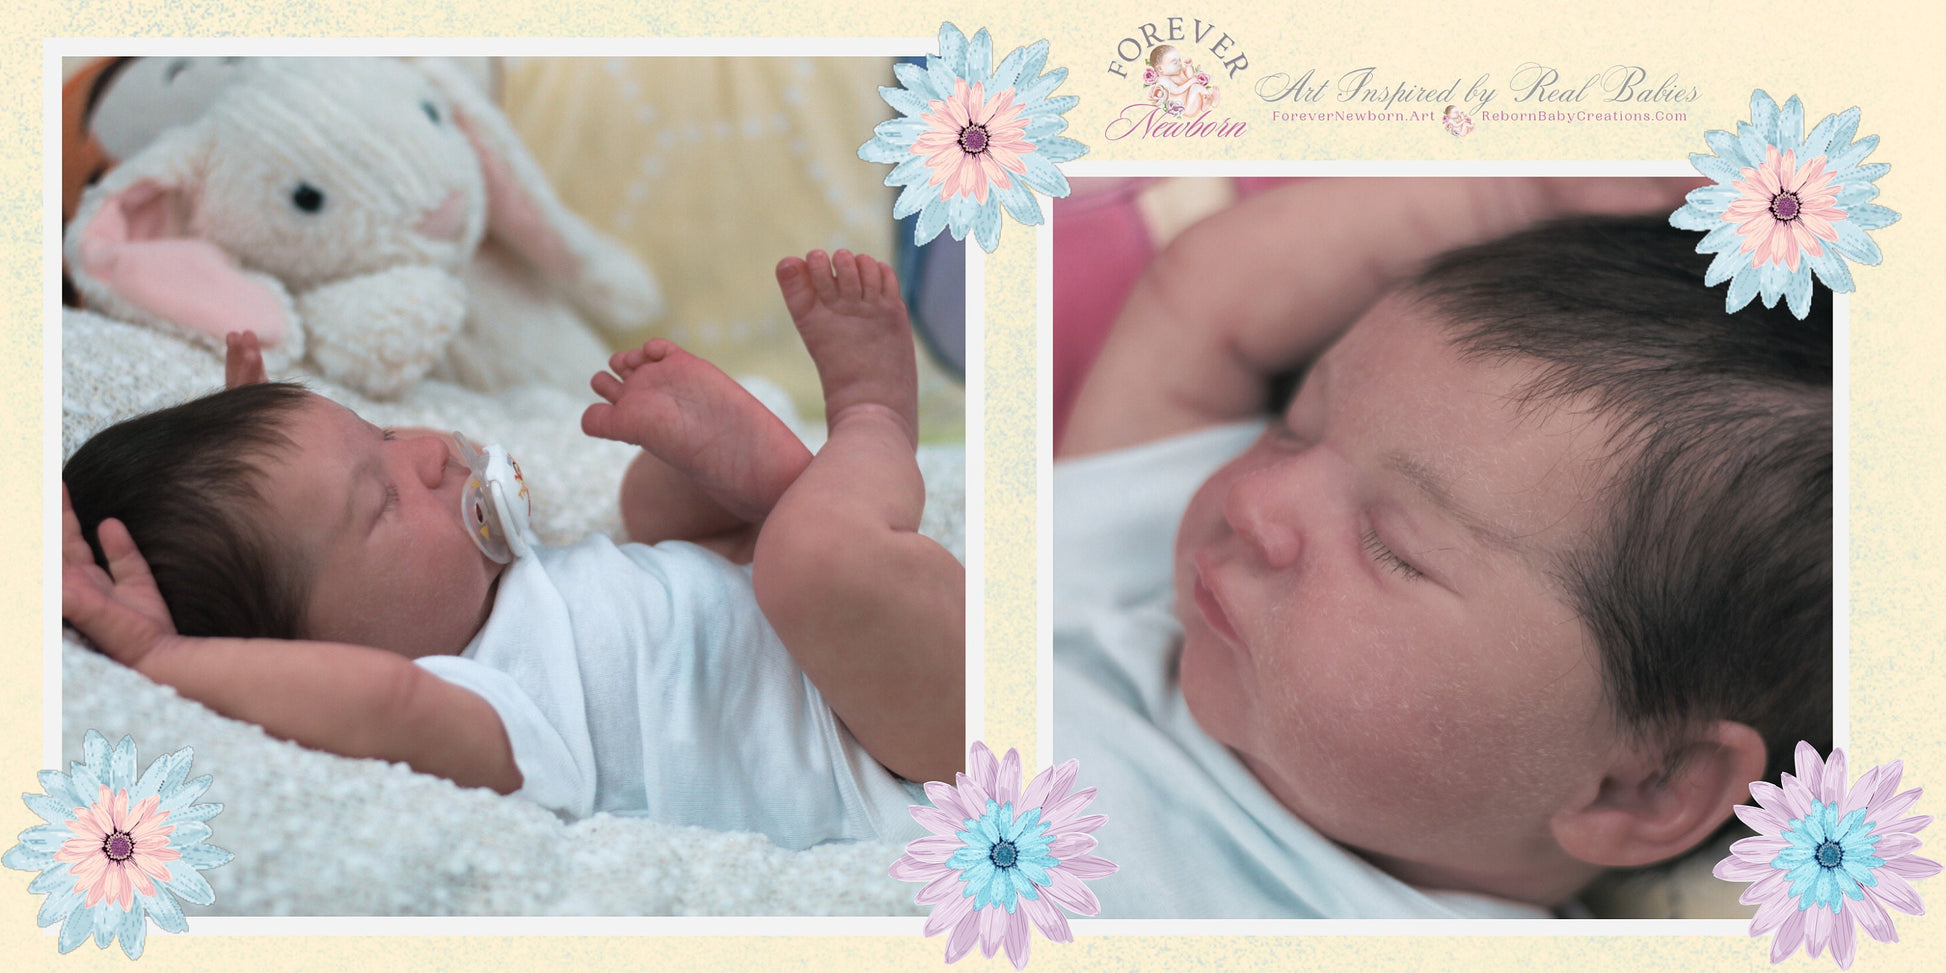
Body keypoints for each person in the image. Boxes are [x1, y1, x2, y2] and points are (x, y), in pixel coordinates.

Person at [1054, 178, 1831, 916]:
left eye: (1391, 547)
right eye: (1294, 429)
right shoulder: (1126, 573)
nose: (1254, 500)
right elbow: (1201, 298)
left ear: (1644, 784)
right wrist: (1510, 197)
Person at [62, 250, 964, 850]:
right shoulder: (476, 706)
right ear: (314, 655)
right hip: (897, 757)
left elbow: (303, 513)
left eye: (376, 431)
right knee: (809, 564)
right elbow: (384, 702)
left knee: (649, 509)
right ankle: (871, 423)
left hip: (827, 657)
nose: (422, 452)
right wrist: (171, 658)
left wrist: (274, 444)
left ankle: (774, 497)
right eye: (379, 502)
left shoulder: (509, 583)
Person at [1146, 45, 1218, 117]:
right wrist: (1191, 82)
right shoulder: (1163, 80)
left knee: (1195, 87)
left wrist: (1188, 66)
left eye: (1179, 60)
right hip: (1186, 109)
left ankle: (1207, 101)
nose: (1179, 64)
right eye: (1175, 63)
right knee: (1196, 87)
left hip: (1193, 102)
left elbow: (1190, 77)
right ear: (1160, 69)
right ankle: (1211, 101)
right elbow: (1177, 90)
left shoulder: (1178, 72)